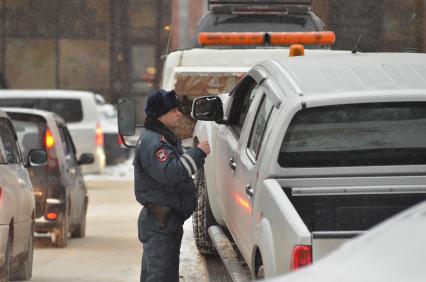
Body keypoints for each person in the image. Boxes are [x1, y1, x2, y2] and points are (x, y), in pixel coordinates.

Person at [133, 89, 210, 282]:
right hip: (161, 223)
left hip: (164, 221)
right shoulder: (155, 143)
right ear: (161, 114)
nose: (179, 114)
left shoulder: (159, 138)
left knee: (160, 275)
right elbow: (172, 173)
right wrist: (198, 153)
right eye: (174, 110)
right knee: (160, 277)